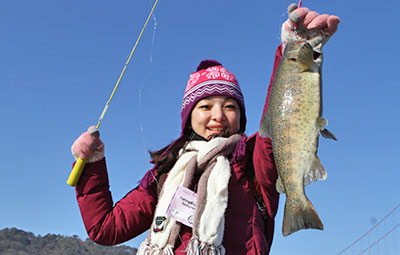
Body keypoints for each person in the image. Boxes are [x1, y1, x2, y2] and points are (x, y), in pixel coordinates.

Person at [70, 4, 340, 255]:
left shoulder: (255, 164)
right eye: (206, 106)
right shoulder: (164, 176)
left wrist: (292, 52)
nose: (218, 116)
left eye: (230, 107)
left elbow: (278, 120)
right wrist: (92, 166)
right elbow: (105, 229)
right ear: (188, 118)